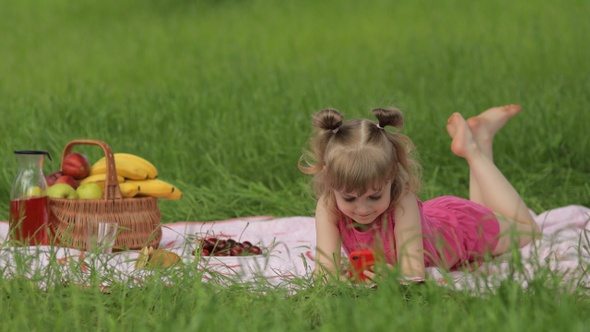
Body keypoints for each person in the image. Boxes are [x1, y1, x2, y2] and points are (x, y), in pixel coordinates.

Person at [298, 105, 541, 284]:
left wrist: (392, 277)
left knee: (529, 230)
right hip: (436, 220)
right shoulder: (328, 204)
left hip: (461, 231)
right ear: (330, 180)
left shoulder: (402, 202)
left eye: (374, 196)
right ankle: (482, 134)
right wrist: (337, 278)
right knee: (487, 210)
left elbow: (413, 272)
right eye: (349, 199)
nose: (362, 209)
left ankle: (473, 150)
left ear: (392, 175)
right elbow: (325, 271)